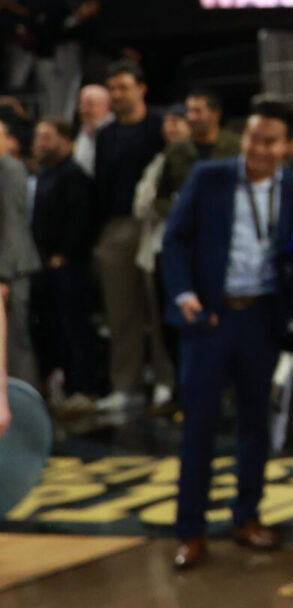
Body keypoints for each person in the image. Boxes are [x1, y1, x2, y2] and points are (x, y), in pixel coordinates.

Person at [161, 103, 293, 570]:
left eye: (270, 141)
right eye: (252, 138)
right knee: (199, 426)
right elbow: (174, 239)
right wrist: (184, 293)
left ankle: (247, 516)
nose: (258, 149)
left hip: (261, 318)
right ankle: (190, 531)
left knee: (255, 424)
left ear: (287, 145)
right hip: (210, 316)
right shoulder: (210, 176)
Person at [91, 61, 172, 412]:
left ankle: (167, 381)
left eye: (123, 87)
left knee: (159, 305)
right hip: (117, 225)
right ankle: (126, 385)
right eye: (113, 88)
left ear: (142, 88)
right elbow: (99, 183)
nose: (118, 94)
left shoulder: (159, 125)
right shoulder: (105, 134)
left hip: (155, 224)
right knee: (120, 311)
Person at [30, 120, 101, 408]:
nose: (39, 142)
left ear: (66, 140)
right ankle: (66, 386)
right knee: (55, 328)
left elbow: (82, 220)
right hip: (45, 265)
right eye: (38, 137)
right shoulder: (46, 173)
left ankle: (85, 388)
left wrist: (65, 254)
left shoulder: (75, 174)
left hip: (70, 265)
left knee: (76, 327)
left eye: (46, 137)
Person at [0, 119, 39, 385]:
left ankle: (24, 396)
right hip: (8, 266)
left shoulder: (10, 170)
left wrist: (4, 273)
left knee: (16, 337)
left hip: (13, 268)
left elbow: (13, 223)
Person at [72, 83, 109, 175]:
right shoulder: (84, 130)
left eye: (89, 104)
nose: (83, 110)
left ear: (106, 106)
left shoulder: (114, 132)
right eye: (81, 104)